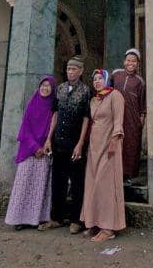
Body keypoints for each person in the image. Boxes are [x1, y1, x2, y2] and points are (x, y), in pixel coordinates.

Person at [41, 57, 91, 233]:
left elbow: (86, 119)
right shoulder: (60, 89)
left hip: (75, 143)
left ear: (80, 71)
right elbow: (55, 115)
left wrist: (80, 143)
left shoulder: (86, 91)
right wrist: (49, 138)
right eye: (69, 68)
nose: (70, 71)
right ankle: (56, 218)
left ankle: (76, 220)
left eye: (74, 69)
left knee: (77, 182)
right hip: (58, 142)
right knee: (58, 181)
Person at [5, 76, 57, 229]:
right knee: (24, 185)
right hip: (29, 150)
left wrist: (44, 146)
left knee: (39, 187)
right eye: (43, 85)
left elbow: (52, 128)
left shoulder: (53, 107)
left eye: (48, 86)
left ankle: (35, 219)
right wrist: (35, 148)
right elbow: (25, 129)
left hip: (44, 151)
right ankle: (18, 219)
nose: (45, 88)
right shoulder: (31, 104)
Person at [80, 69, 126, 242]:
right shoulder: (94, 99)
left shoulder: (115, 96)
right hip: (94, 147)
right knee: (93, 183)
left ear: (107, 80)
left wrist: (115, 140)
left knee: (105, 184)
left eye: (100, 78)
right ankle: (95, 222)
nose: (97, 81)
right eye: (95, 79)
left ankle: (108, 228)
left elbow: (118, 121)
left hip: (109, 146)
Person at [111, 48, 146, 183]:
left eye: (134, 61)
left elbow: (142, 104)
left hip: (132, 118)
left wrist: (141, 120)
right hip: (115, 115)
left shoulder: (140, 82)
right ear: (124, 61)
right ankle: (113, 172)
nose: (130, 63)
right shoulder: (115, 75)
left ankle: (127, 175)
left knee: (130, 145)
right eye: (128, 60)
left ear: (138, 63)